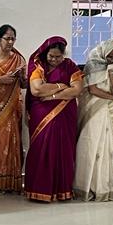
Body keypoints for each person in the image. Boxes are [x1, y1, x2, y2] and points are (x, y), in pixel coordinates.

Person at [24, 37, 83, 203]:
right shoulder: (38, 66)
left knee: (64, 150)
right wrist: (60, 86)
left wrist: (52, 96)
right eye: (51, 56)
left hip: (65, 115)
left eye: (58, 57)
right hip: (40, 114)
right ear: (46, 53)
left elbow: (77, 90)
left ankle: (62, 190)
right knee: (41, 149)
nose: (54, 60)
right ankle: (38, 190)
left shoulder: (70, 66)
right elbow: (36, 90)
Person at [73, 39, 113, 201]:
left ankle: (103, 187)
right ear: (104, 52)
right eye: (111, 56)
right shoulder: (93, 64)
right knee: (91, 145)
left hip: (106, 111)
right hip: (93, 110)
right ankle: (87, 187)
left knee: (106, 147)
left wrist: (111, 74)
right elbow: (93, 90)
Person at [0, 24, 27, 193]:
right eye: (7, 38)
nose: (10, 42)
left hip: (12, 108)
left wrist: (21, 78)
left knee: (11, 144)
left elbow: (24, 84)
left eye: (12, 39)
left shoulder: (19, 60)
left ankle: (10, 183)